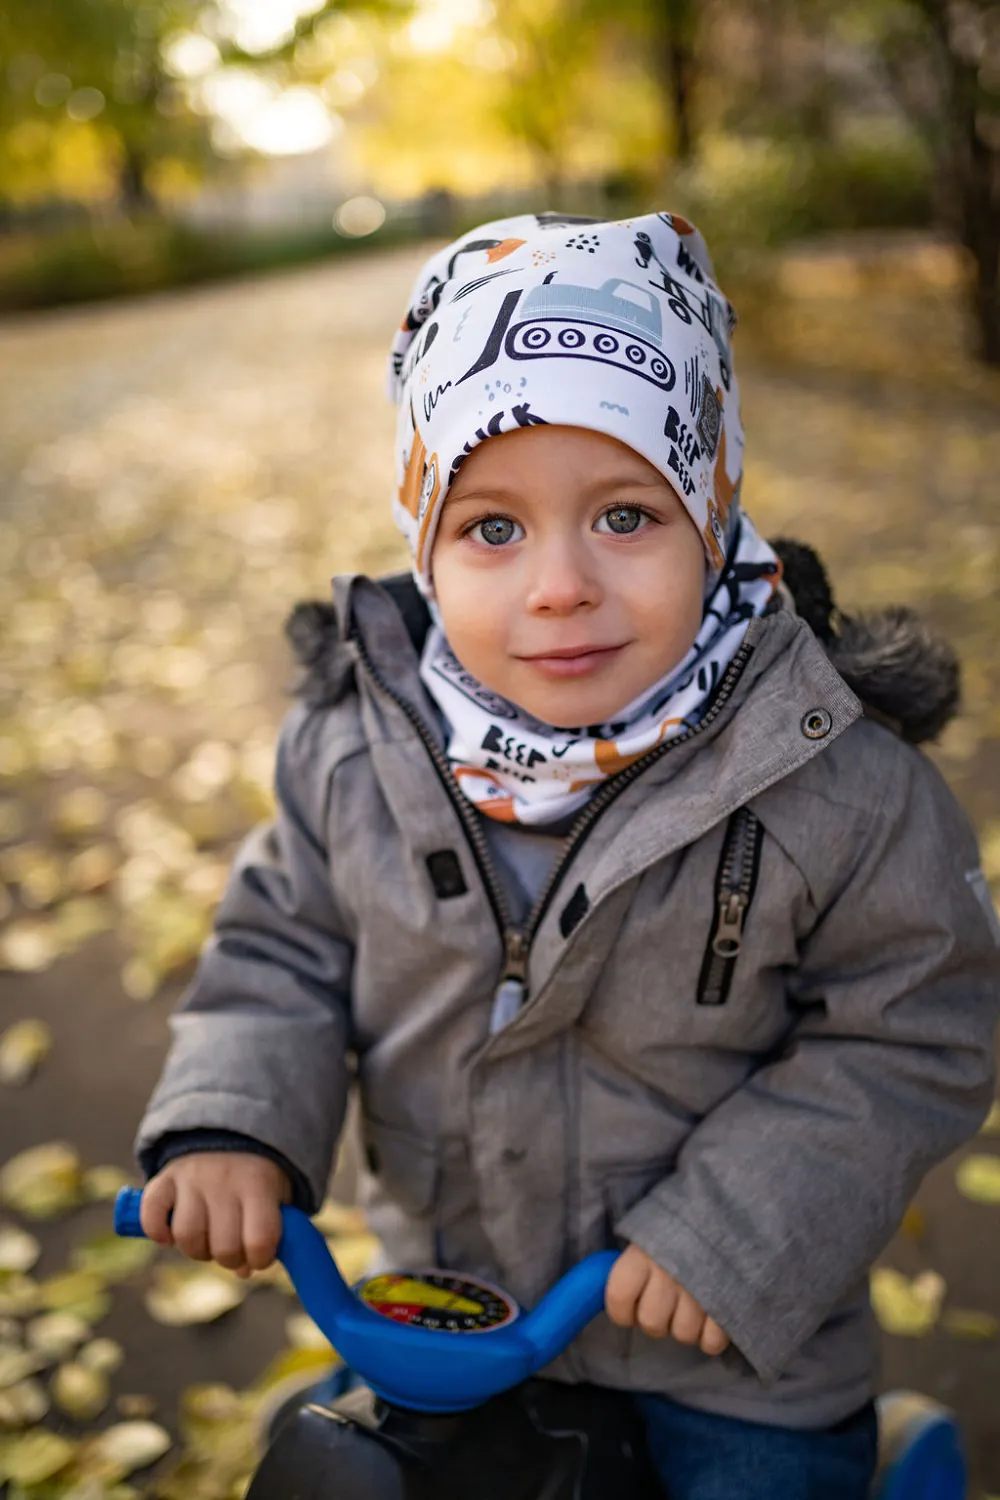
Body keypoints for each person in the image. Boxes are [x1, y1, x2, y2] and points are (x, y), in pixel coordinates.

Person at [134, 211, 1000, 1499]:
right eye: (492, 528)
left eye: (624, 515)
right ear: (422, 530)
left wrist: (738, 1229)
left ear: (709, 508)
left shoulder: (830, 773)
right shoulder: (356, 752)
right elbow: (282, 947)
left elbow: (915, 1020)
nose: (558, 586)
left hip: (728, 1344)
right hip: (452, 1305)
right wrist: (234, 1122)